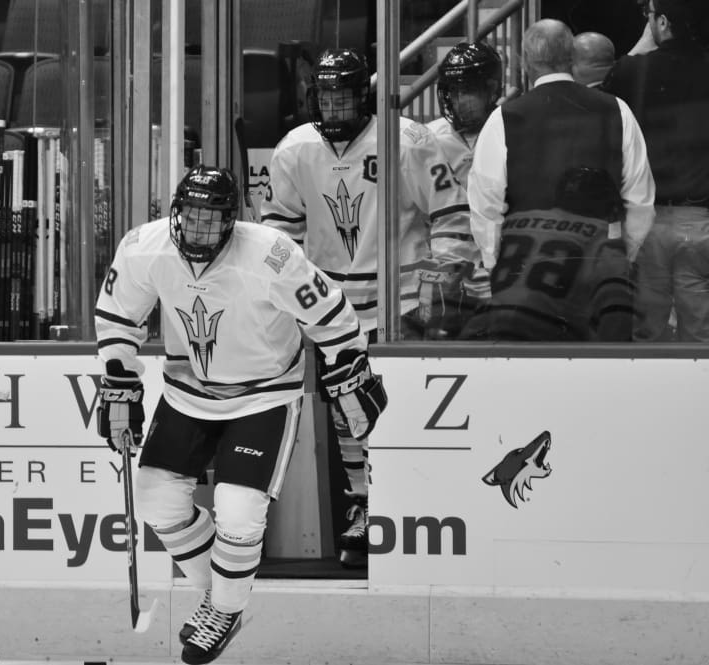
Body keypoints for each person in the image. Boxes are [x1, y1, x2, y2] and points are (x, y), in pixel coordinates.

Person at [95, 165, 387, 664]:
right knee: (157, 502)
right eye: (191, 216)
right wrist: (119, 380)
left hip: (264, 395)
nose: (200, 228)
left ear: (231, 221)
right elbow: (119, 317)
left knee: (237, 511)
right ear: (176, 213)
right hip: (187, 393)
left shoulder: (270, 254)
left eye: (213, 219)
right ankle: (221, 598)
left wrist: (349, 365)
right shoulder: (144, 247)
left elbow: (332, 315)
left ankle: (226, 608)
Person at [260, 48, 478, 567]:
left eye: (344, 96)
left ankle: (415, 504)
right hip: (331, 313)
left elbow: (451, 216)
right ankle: (364, 506)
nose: (334, 107)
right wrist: (286, 297)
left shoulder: (409, 140)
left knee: (400, 413)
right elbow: (278, 232)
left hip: (401, 305)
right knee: (346, 413)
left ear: (364, 96)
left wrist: (439, 285)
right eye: (325, 97)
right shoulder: (295, 149)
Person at [467, 18, 656, 336]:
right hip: (598, 280)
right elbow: (640, 202)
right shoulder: (617, 110)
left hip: (527, 283)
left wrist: (499, 268)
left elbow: (486, 207)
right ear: (572, 56)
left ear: (524, 61)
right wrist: (619, 261)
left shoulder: (504, 118)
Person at [603, 0, 709, 341]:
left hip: (647, 221)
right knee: (703, 337)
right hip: (701, 220)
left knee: (648, 335)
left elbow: (609, 91)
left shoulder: (633, 72)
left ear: (662, 22)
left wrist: (646, 38)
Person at [461, 166, 635, 340]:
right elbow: (616, 307)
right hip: (542, 342)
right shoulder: (602, 235)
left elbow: (466, 286)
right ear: (604, 202)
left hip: (480, 334)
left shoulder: (511, 222)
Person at [427, 40, 505, 308]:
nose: (459, 101)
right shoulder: (428, 138)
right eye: (453, 92)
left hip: (498, 260)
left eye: (468, 91)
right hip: (446, 266)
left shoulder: (512, 130)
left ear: (492, 89)